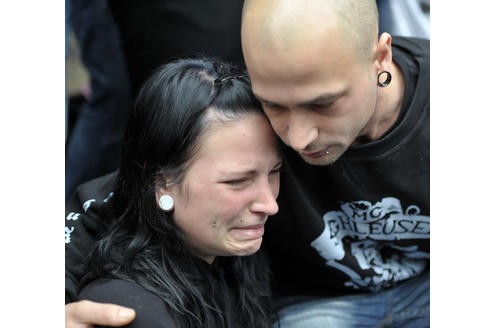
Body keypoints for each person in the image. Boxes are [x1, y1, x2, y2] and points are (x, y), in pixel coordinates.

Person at [66, 0, 430, 326]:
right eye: (275, 104)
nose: (298, 137)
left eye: (323, 104)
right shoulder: (251, 111)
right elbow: (129, 191)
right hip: (310, 306)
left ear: (380, 57)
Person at [67, 57, 282, 327]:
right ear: (163, 184)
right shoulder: (129, 309)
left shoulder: (233, 256)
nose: (270, 204)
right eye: (237, 181)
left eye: (274, 172)